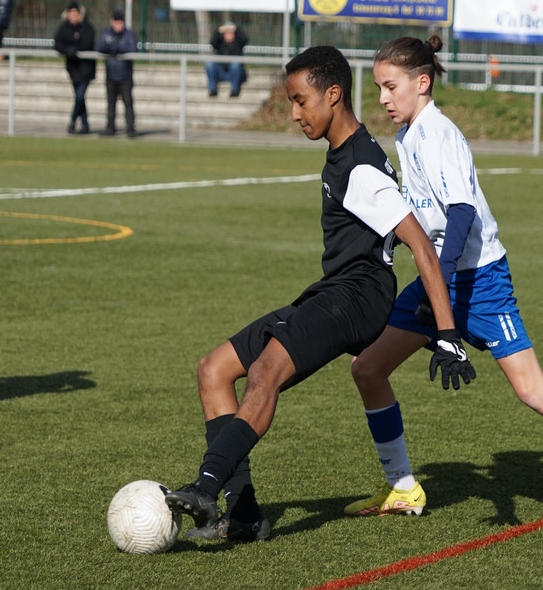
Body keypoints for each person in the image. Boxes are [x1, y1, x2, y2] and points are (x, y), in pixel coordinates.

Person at [343, 34, 543, 541]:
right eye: (379, 87)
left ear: (421, 83)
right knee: (368, 368)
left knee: (531, 389)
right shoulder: (409, 134)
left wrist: (442, 286)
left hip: (479, 281)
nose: (382, 98)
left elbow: (462, 213)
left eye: (390, 86)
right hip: (438, 279)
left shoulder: (437, 134)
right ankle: (402, 487)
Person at [164, 45, 476, 542]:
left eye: (300, 101)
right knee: (213, 370)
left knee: (265, 371)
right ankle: (244, 516)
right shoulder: (342, 154)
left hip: (359, 298)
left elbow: (421, 246)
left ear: (333, 94)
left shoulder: (361, 167)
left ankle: (205, 487)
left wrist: (446, 332)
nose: (295, 114)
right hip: (333, 290)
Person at [53, 0, 96, 135]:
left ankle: (72, 121)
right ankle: (85, 125)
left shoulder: (87, 27)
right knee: (79, 98)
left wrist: (74, 48)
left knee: (79, 96)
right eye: (71, 13)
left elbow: (87, 43)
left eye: (76, 13)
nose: (73, 15)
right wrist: (68, 50)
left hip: (86, 69)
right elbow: (57, 44)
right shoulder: (64, 28)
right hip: (73, 69)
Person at [95, 8, 137, 137]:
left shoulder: (129, 34)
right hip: (111, 75)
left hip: (125, 76)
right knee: (111, 103)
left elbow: (133, 49)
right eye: (116, 21)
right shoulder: (106, 33)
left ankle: (130, 128)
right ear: (112, 22)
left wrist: (117, 47)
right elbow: (98, 47)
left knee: (128, 102)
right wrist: (110, 47)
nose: (118, 24)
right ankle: (110, 127)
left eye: (120, 22)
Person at [205, 20, 248, 98]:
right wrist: (218, 30)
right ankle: (212, 90)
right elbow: (212, 43)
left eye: (231, 33)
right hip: (222, 72)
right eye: (227, 33)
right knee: (209, 63)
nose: (229, 35)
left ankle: (234, 90)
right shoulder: (220, 42)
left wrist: (236, 29)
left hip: (236, 73)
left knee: (235, 63)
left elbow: (245, 39)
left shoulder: (238, 42)